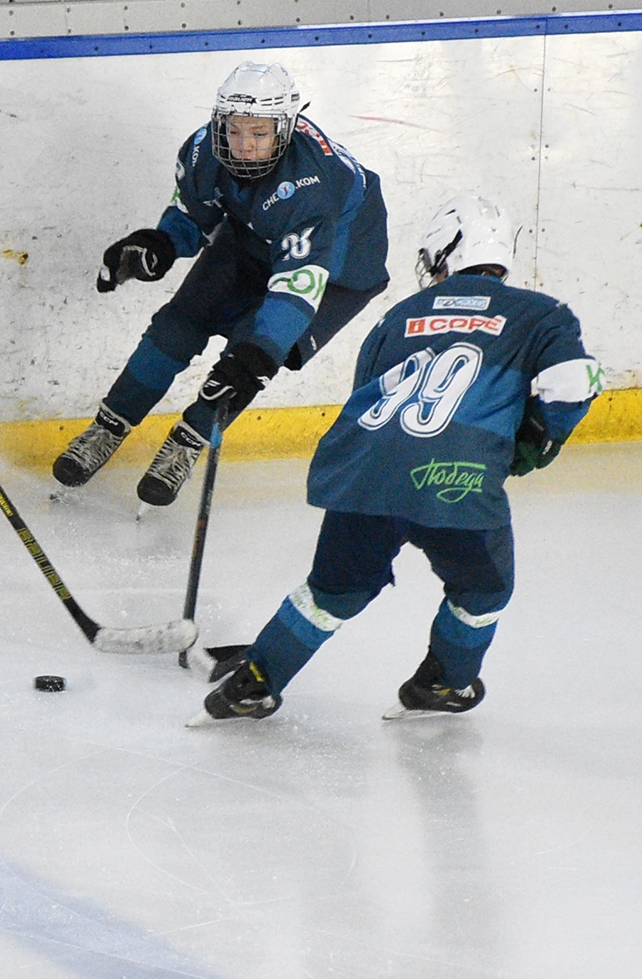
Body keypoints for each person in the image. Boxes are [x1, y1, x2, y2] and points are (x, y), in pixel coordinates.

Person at [194, 196, 602, 724]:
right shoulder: (541, 313)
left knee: (332, 592)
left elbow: (365, 395)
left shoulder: (399, 314)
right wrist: (536, 445)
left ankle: (253, 684)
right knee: (485, 588)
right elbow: (572, 383)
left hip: (365, 471)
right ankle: (445, 684)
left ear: (445, 251)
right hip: (456, 478)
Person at [54, 60, 390, 507]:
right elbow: (194, 215)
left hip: (339, 270)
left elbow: (296, 288)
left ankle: (188, 442)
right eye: (234, 130)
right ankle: (108, 425)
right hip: (254, 235)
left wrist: (257, 355)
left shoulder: (315, 184)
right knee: (180, 321)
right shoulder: (203, 151)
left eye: (258, 133)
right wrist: (160, 244)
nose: (244, 146)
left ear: (284, 130)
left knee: (250, 359)